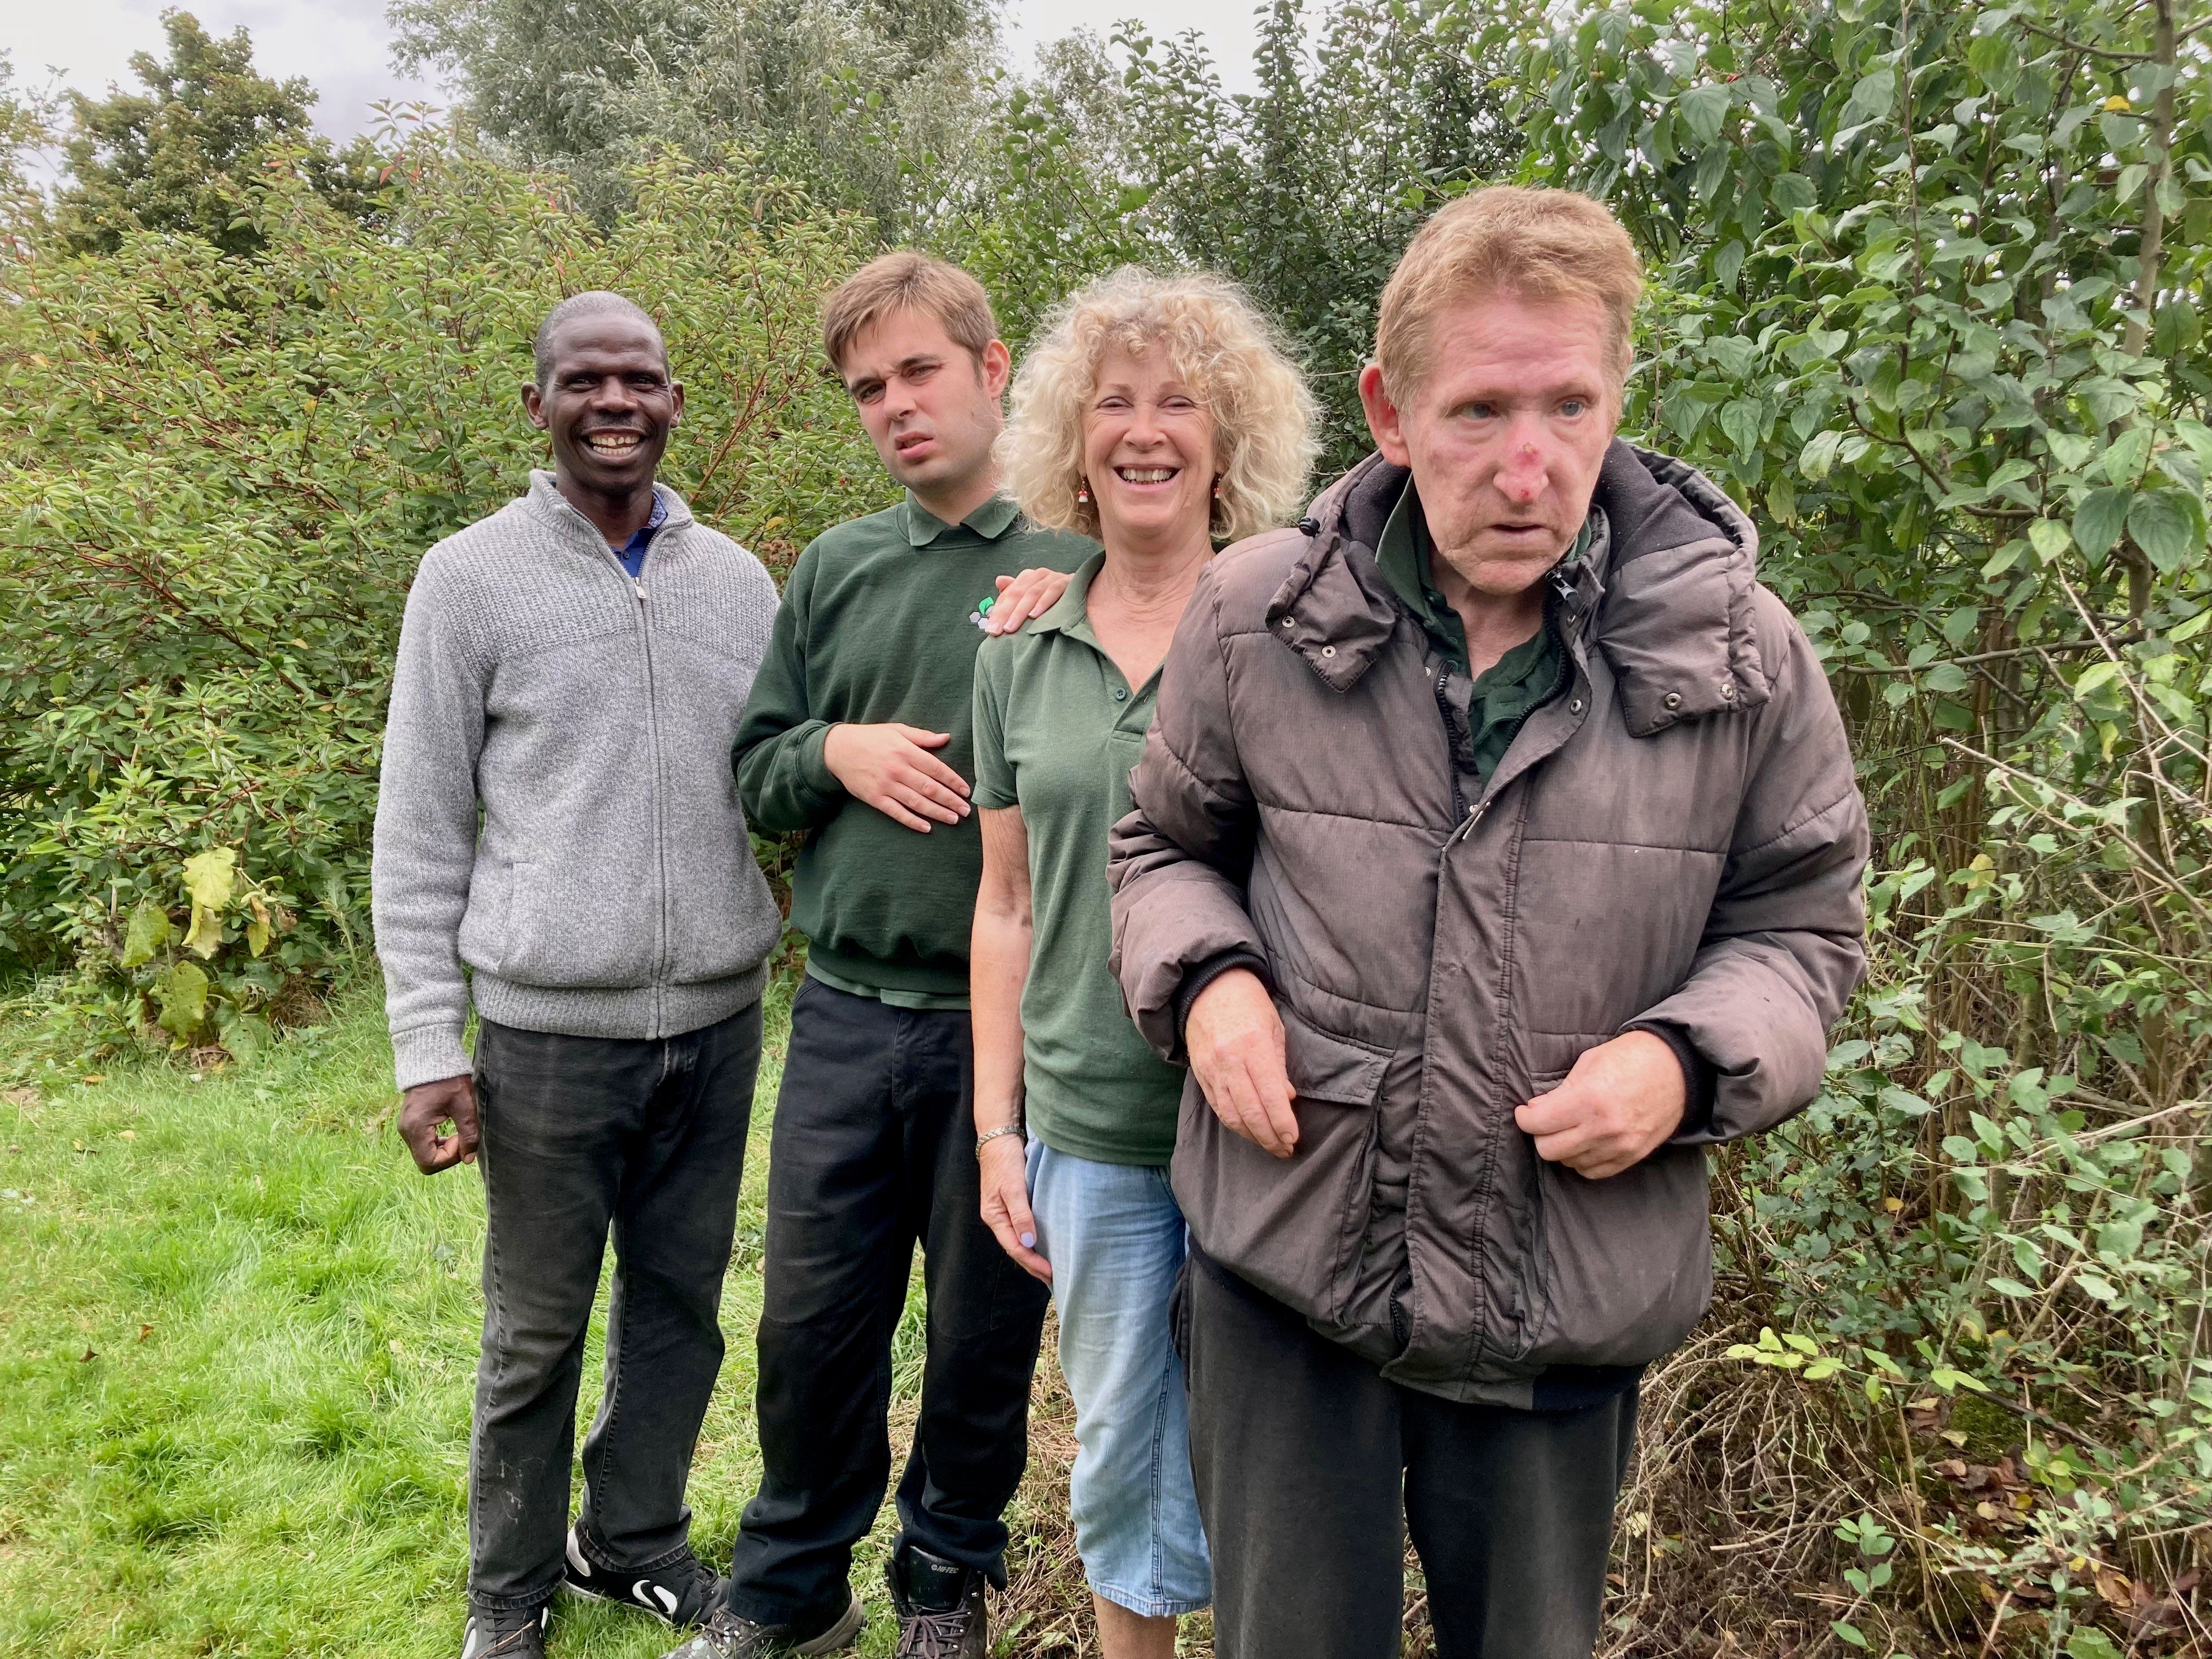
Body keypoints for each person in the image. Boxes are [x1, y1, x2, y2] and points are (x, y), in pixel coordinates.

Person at [1106, 186, 1873, 1659]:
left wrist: (1684, 1063)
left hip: (1562, 1288)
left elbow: (1803, 932)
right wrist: (1209, 984)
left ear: (1618, 397)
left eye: (1569, 405)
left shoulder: (1742, 655)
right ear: (1389, 412)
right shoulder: (1254, 615)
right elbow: (1163, 850)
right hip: (1291, 1272)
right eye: (1478, 412)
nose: (1531, 468)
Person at [668, 252, 1091, 1659]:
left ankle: (945, 1583)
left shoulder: (1079, 561)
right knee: (811, 1325)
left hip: (1012, 1030)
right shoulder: (838, 569)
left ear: (991, 367)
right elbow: (758, 772)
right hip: (847, 1018)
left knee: (983, 1331)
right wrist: (835, 751)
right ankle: (792, 1591)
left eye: (919, 371)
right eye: (867, 389)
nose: (897, 406)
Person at [371, 292, 786, 1659]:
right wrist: (429, 1044)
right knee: (536, 1331)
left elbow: (789, 769)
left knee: (680, 1312)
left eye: (642, 380)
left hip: (718, 1023)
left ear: (673, 401)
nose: (617, 402)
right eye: (586, 380)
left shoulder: (739, 583)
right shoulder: (469, 579)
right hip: (547, 1035)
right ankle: (508, 1594)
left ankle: (633, 1539)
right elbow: (420, 829)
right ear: (538, 404)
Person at [969, 270, 1316, 1659]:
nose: (1146, 429)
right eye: (1114, 401)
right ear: (1074, 435)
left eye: (1181, 401)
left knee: (1278, 1450)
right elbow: (1006, 905)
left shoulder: (1298, 630)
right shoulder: (1016, 647)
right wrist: (997, 1128)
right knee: (1121, 1442)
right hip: (1091, 1126)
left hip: (1273, 1121)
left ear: (1229, 440)